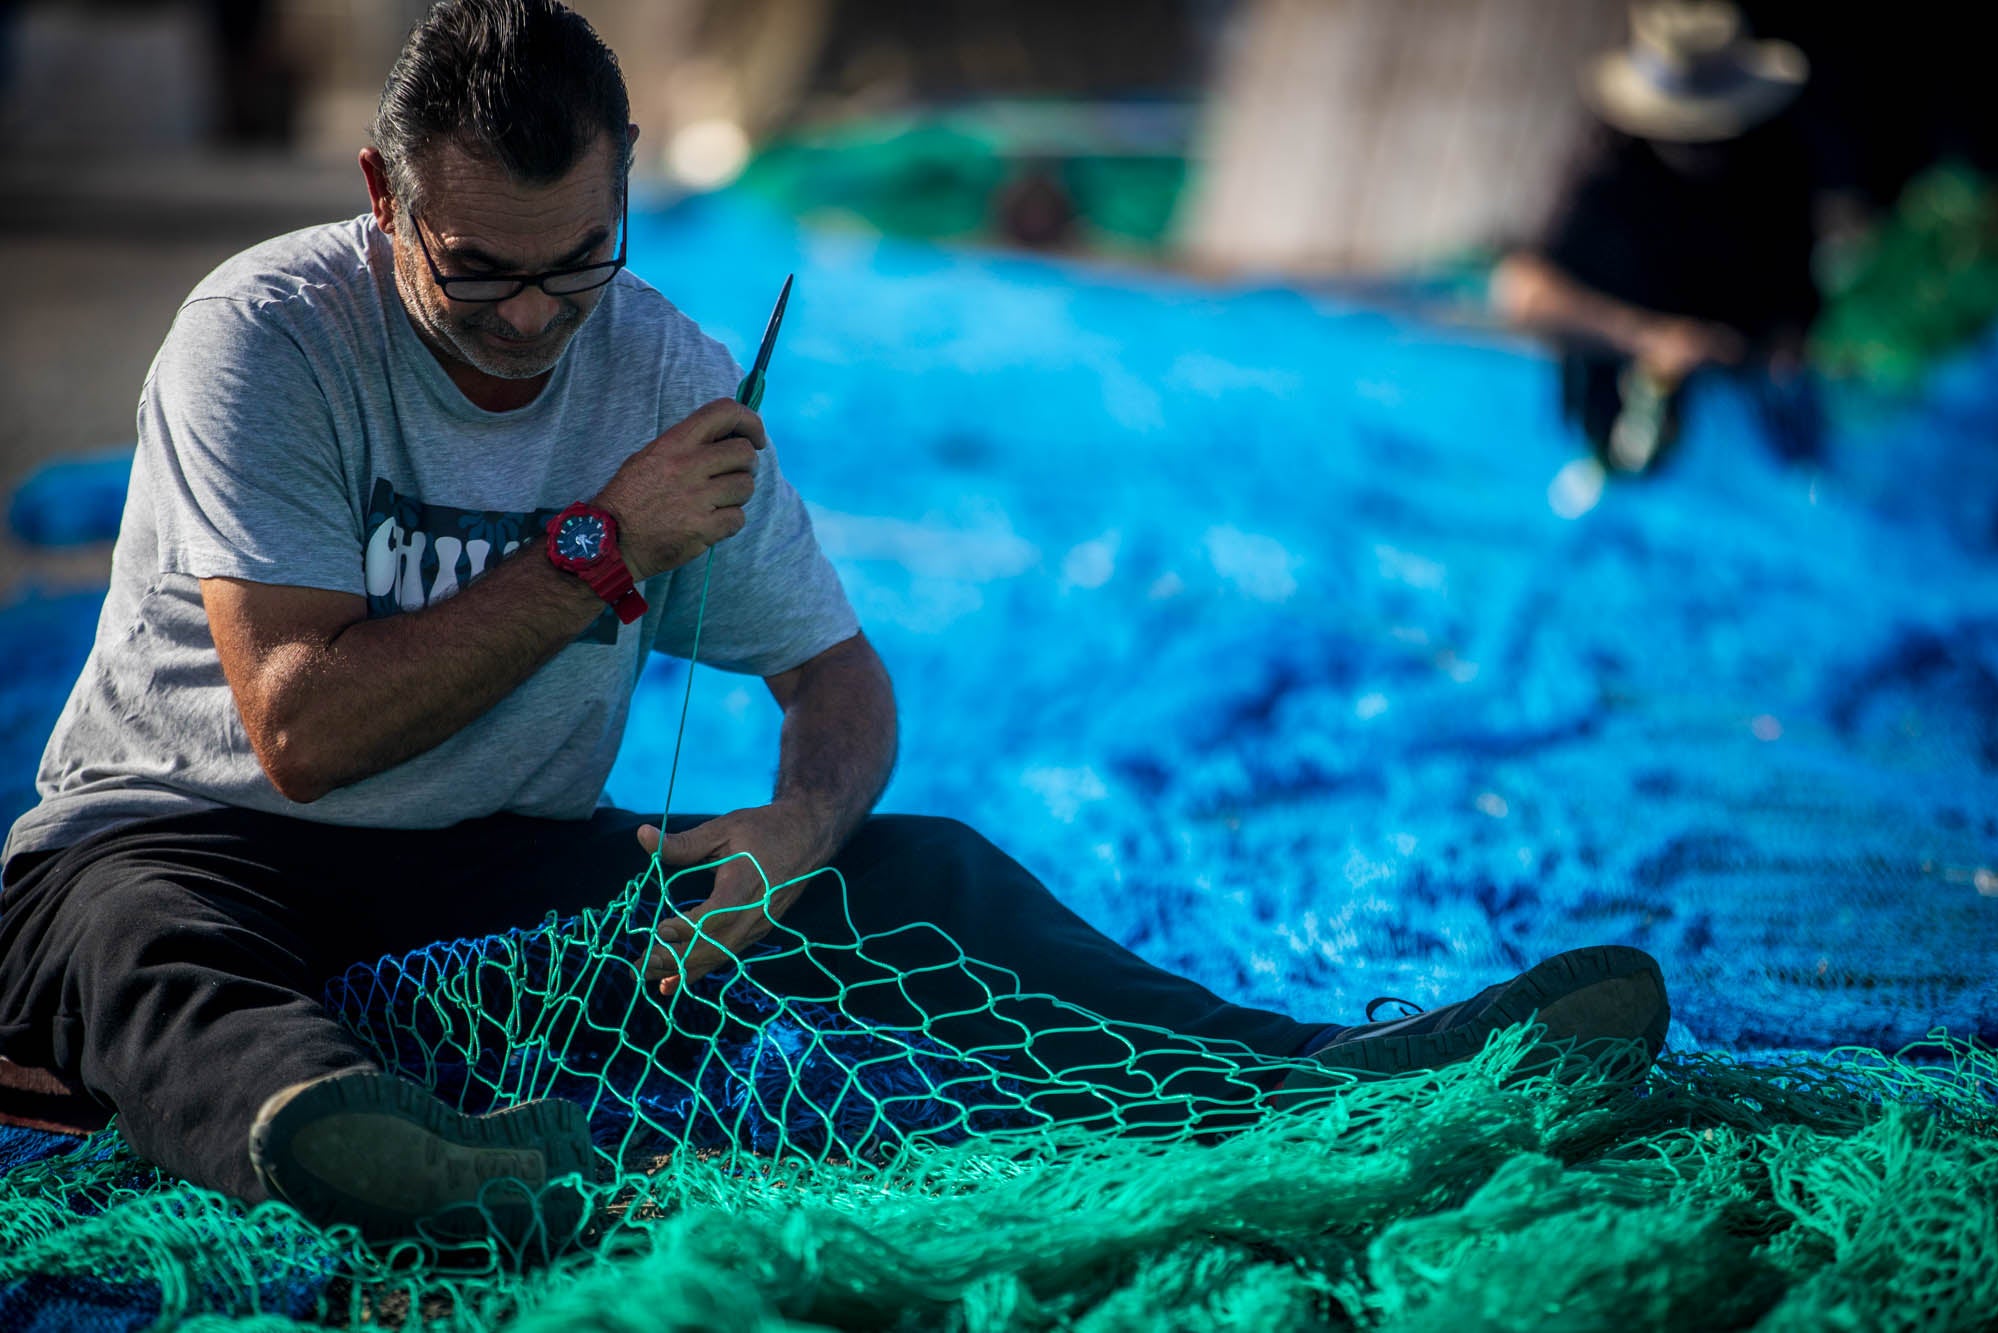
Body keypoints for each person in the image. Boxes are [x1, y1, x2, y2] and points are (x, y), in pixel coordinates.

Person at [0, 0, 1671, 1247]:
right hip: (197, 835)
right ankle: (367, 1144)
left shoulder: (658, 365)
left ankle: (1319, 1071)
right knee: (149, 946)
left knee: (922, 872)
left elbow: (843, 686)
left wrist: (793, 831)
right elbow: (303, 727)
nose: (526, 321)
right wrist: (600, 545)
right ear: (380, 195)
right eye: (476, 271)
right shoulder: (266, 341)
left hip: (499, 864)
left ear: (630, 201)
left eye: (572, 267)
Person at [1492, 1, 1823, 472]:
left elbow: (1798, 304)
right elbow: (1521, 292)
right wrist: (1649, 338)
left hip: (1742, 396)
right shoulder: (1606, 162)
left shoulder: (1777, 159)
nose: (1700, 137)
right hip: (1619, 387)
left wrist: (1769, 349)